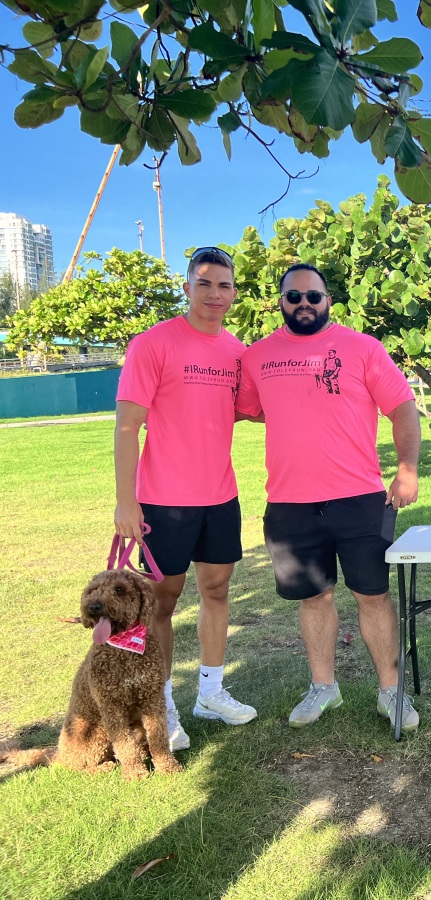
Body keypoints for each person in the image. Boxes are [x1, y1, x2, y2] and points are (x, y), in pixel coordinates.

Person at [235, 263, 421, 733]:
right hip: (290, 505)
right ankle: (324, 687)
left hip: (359, 499)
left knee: (373, 596)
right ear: (280, 302)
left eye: (313, 296)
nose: (304, 304)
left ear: (328, 301)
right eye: (293, 297)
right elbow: (248, 409)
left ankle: (390, 691)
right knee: (314, 598)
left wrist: (407, 469)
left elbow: (402, 410)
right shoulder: (257, 357)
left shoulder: (362, 348)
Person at [114, 246, 257, 752]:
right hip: (163, 500)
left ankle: (210, 693)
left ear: (234, 292)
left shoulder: (237, 350)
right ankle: (162, 704)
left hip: (220, 494)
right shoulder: (152, 344)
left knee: (217, 591)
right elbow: (128, 426)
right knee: (162, 603)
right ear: (187, 287)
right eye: (205, 283)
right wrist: (125, 501)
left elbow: (250, 408)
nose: (215, 294)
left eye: (224, 285)